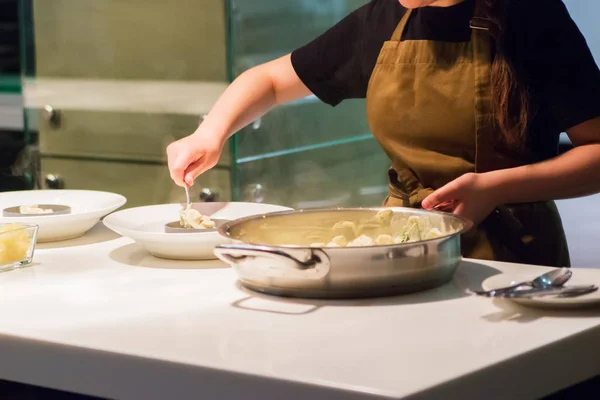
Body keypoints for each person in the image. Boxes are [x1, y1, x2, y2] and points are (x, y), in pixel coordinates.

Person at [167, 0, 600, 267]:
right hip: (403, 246)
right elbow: (272, 80)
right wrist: (210, 133)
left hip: (510, 256)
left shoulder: (530, 15)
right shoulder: (383, 20)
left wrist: (493, 188)